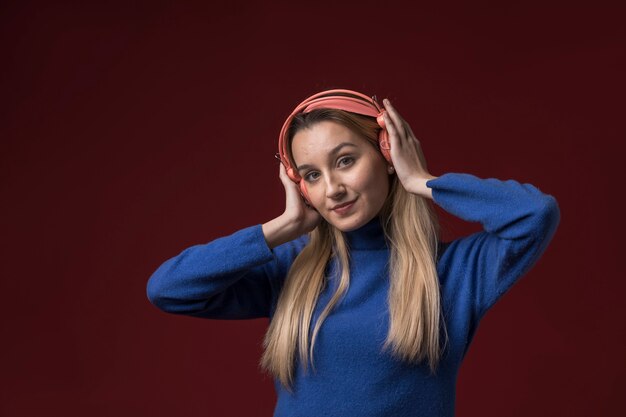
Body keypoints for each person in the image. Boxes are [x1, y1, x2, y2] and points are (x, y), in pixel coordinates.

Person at [146, 89, 561, 417]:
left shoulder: (453, 272)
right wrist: (282, 228)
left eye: (345, 161)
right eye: (311, 174)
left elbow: (534, 215)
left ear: (386, 155)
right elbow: (169, 288)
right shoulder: (291, 267)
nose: (332, 188)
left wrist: (422, 179)